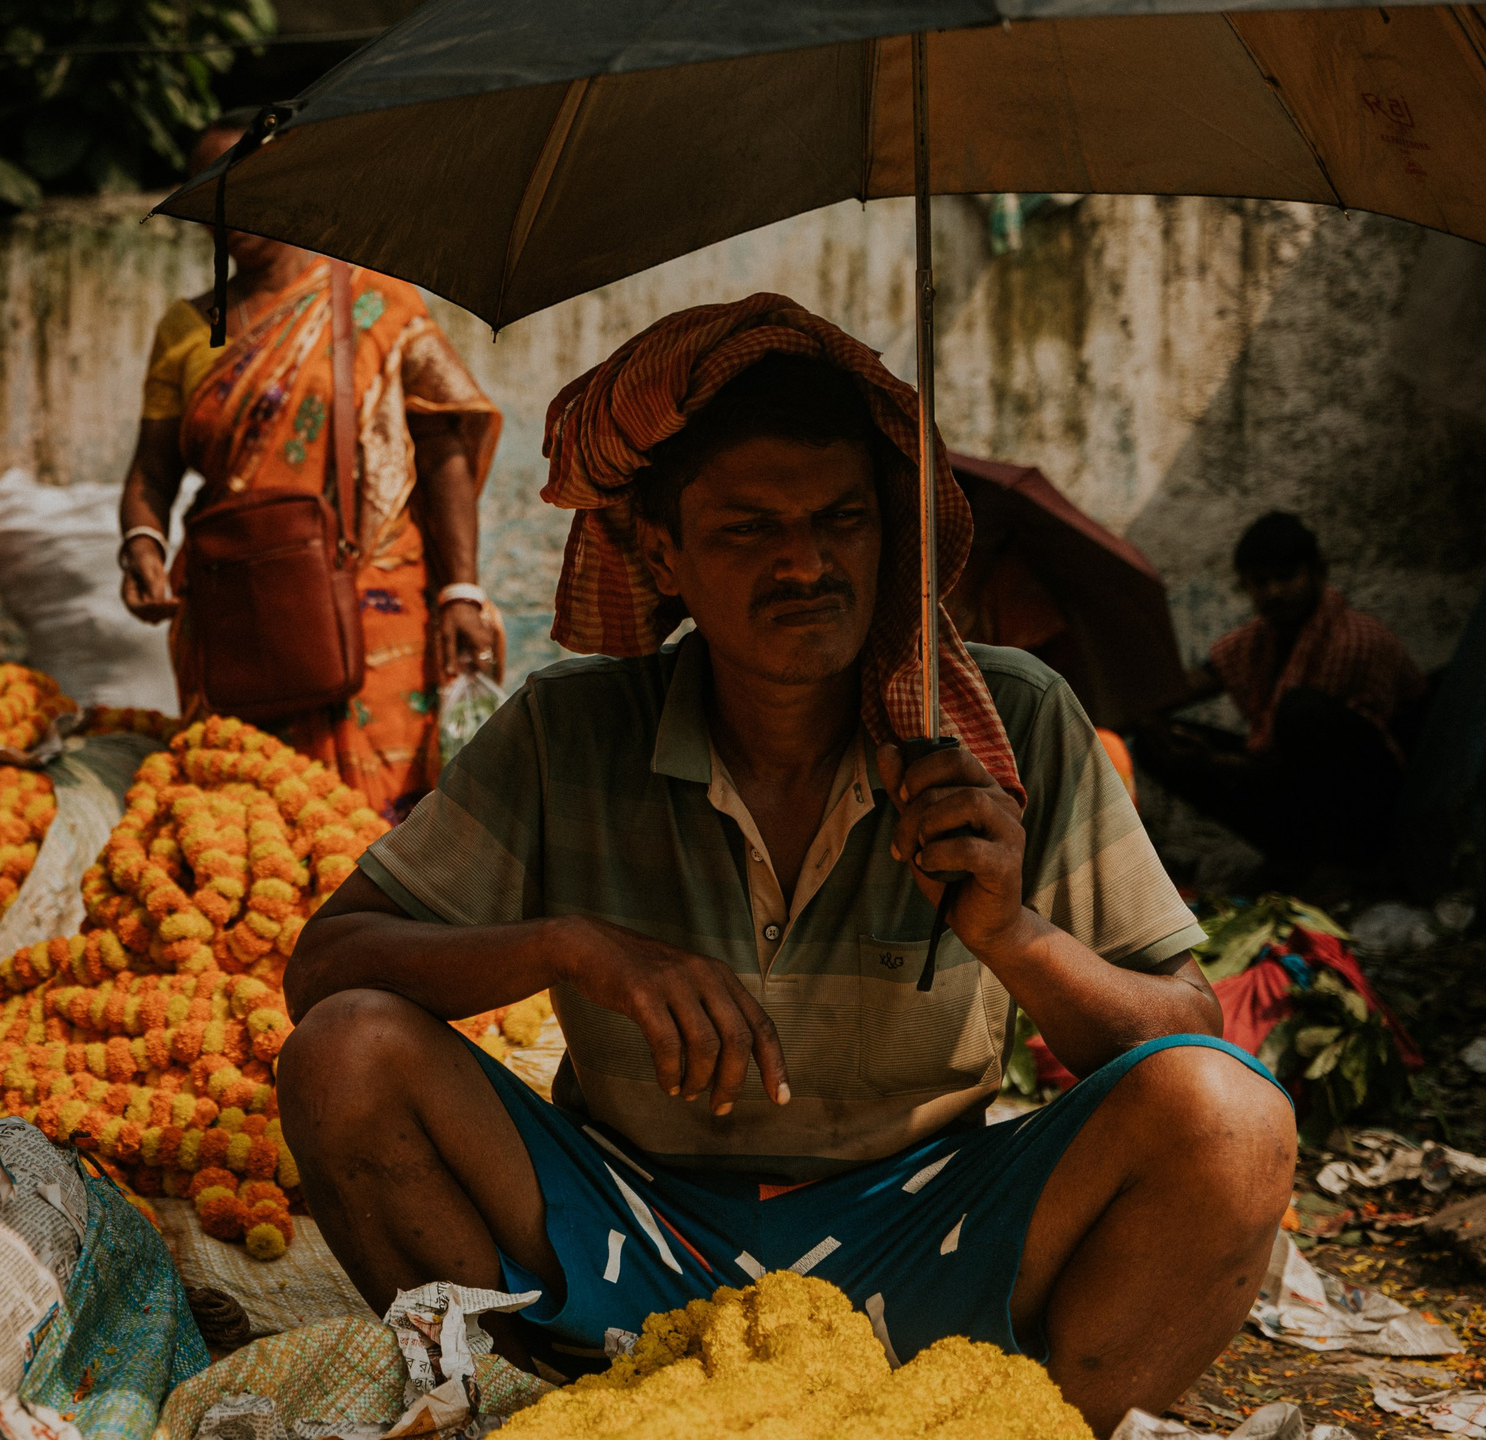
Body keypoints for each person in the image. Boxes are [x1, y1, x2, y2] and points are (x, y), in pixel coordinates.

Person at [277, 294, 1295, 1435]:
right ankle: (530, 1413)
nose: (806, 563)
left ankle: (1022, 1427)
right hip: (629, 1231)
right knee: (344, 1055)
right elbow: (327, 968)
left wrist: (1013, 934)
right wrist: (575, 949)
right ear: (658, 552)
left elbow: (1184, 1027)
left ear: (889, 531)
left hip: (924, 1235)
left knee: (1230, 1117)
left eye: (842, 520)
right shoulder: (572, 729)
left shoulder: (1007, 724)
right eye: (748, 529)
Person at [116, 118, 504, 820]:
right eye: (211, 188)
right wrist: (141, 543)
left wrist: (462, 592)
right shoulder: (185, 328)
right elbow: (152, 471)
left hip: (375, 605)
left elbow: (445, 446)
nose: (228, 205)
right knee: (251, 835)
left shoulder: (377, 302)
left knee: (387, 835)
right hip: (239, 616)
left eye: (249, 182)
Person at [1138, 511, 1425, 872]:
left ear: (1317, 572)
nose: (1273, 592)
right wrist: (1140, 708)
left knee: (1299, 711)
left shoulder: (1355, 638)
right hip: (1290, 780)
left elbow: (1315, 765)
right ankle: (1294, 856)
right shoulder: (1260, 639)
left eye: (1286, 577)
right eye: (1260, 582)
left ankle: (1340, 866)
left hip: (1375, 801)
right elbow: (1191, 683)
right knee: (1154, 741)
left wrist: (1215, 762)